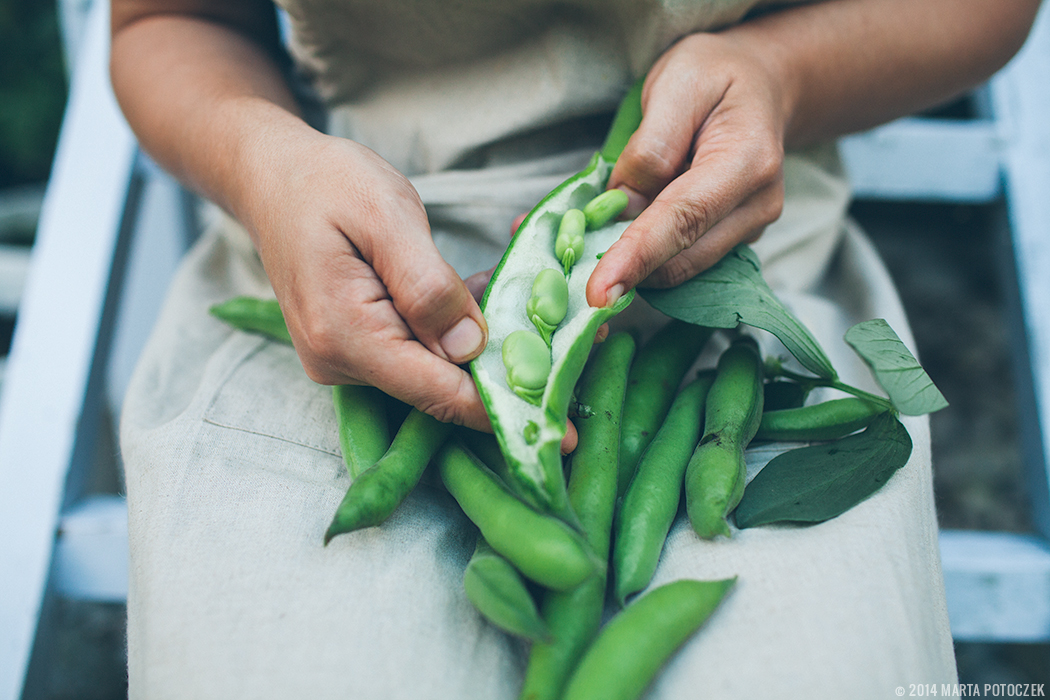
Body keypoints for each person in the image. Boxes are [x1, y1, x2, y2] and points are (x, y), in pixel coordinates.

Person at [110, 0, 1040, 698]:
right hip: (339, 272)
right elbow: (166, 19)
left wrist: (778, 71)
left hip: (741, 269)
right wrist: (265, 164)